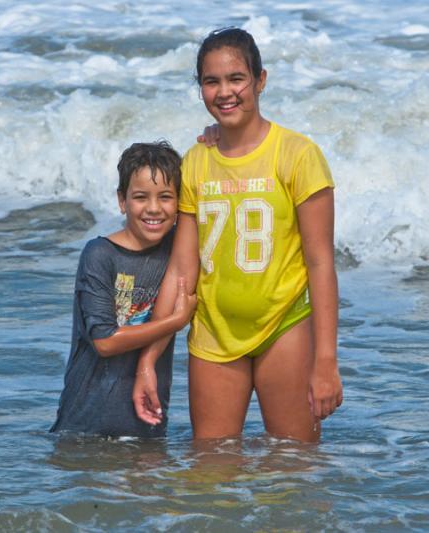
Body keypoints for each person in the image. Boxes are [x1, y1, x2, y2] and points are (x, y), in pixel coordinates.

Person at [132, 28, 342, 443]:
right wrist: (148, 361)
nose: (224, 92)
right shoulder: (195, 162)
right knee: (209, 476)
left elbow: (320, 262)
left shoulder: (298, 155)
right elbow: (182, 267)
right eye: (211, 82)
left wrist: (326, 362)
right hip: (212, 333)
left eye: (236, 79)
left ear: (260, 80)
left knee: (293, 469)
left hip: (284, 328)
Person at [51, 141, 196, 437]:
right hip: (84, 427)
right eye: (141, 197)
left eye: (166, 197)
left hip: (148, 428)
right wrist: (175, 322)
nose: (154, 208)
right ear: (122, 200)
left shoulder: (178, 253)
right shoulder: (100, 255)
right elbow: (104, 341)